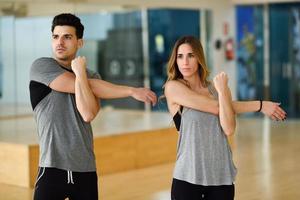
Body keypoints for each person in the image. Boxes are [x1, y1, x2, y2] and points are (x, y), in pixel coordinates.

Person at [29, 13, 157, 200]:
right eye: (56, 37)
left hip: (85, 169)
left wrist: (81, 73)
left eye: (67, 37)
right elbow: (80, 84)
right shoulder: (41, 67)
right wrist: (130, 91)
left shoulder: (91, 75)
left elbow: (88, 114)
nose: (60, 42)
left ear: (80, 42)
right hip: (51, 167)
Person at [163, 35, 286, 200]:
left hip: (221, 178)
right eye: (180, 56)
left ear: (199, 58)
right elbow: (215, 107)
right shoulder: (173, 88)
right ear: (175, 60)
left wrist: (222, 91)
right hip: (187, 177)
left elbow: (229, 128)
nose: (185, 61)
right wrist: (260, 105)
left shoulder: (217, 90)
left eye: (190, 55)